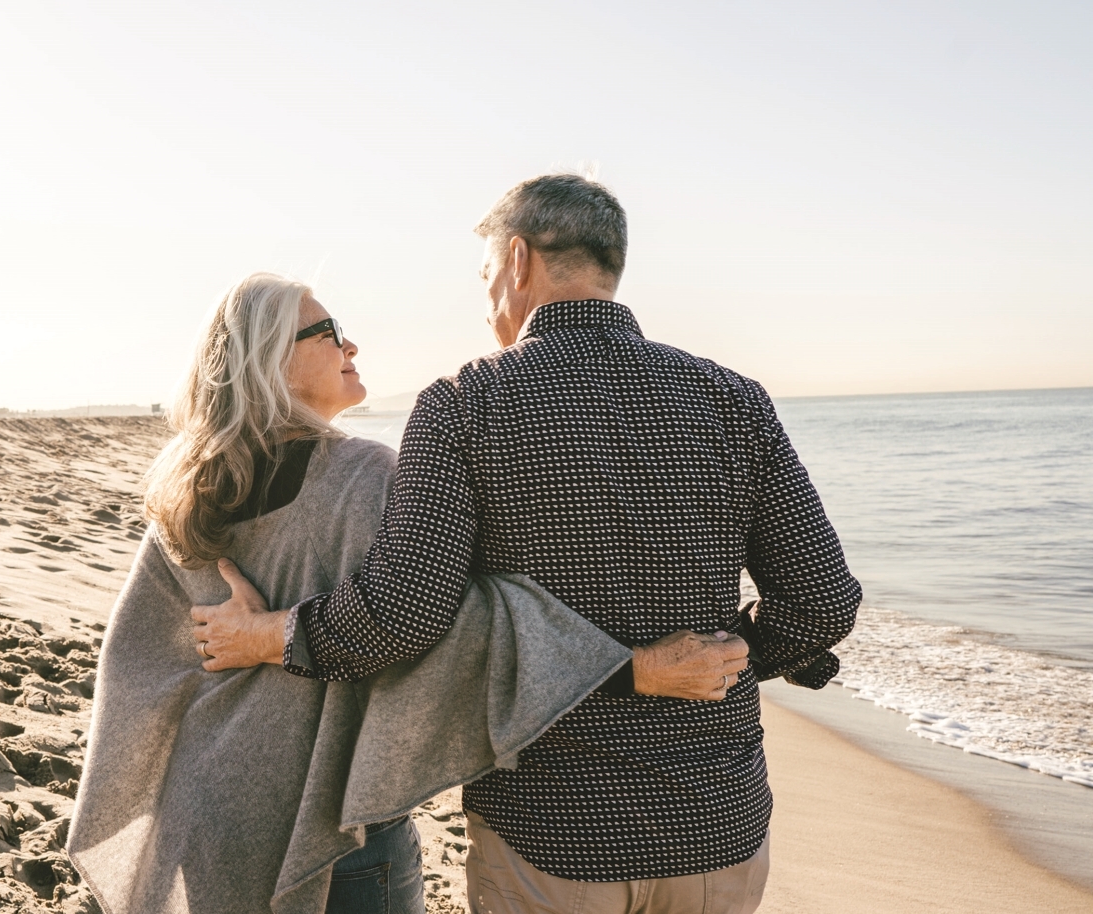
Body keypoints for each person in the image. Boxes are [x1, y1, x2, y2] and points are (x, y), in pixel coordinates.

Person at [193, 175, 863, 914]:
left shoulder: (464, 404)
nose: (486, 304)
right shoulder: (734, 398)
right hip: (717, 826)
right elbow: (823, 602)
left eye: (485, 277)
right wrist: (736, 655)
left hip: (552, 830)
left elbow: (402, 616)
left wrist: (269, 636)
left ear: (517, 262)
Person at [68, 272, 633, 914]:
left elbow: (132, 663)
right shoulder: (366, 474)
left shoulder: (187, 489)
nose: (352, 347)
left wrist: (252, 647)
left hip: (206, 814)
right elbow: (445, 627)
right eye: (331, 333)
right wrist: (620, 660)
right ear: (274, 360)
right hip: (333, 832)